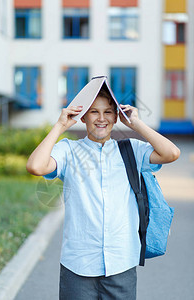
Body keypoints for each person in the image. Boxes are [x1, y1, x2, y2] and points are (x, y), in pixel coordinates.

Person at [26, 87, 180, 300]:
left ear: (116, 117)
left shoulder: (131, 151)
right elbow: (35, 166)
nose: (101, 118)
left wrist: (136, 123)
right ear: (83, 117)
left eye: (108, 112)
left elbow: (172, 153)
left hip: (121, 265)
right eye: (94, 112)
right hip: (78, 266)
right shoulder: (68, 151)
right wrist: (60, 125)